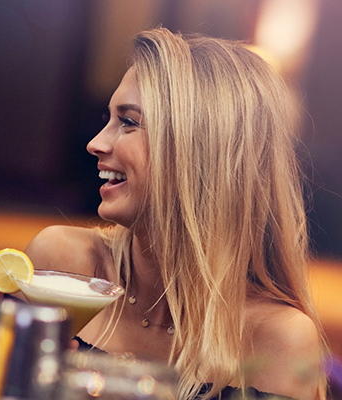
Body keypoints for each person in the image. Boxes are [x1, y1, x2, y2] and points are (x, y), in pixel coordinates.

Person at [19, 28, 326, 399]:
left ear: (198, 152)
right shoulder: (64, 263)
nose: (96, 142)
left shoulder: (278, 338)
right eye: (109, 118)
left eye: (129, 122)